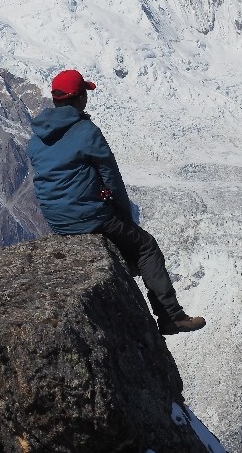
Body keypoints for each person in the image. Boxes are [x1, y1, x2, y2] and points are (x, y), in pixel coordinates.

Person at [27, 69, 206, 335]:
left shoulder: (36, 137)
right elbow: (111, 177)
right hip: (89, 217)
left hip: (58, 222)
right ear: (79, 98)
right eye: (85, 93)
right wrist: (124, 215)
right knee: (146, 246)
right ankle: (171, 316)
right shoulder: (86, 131)